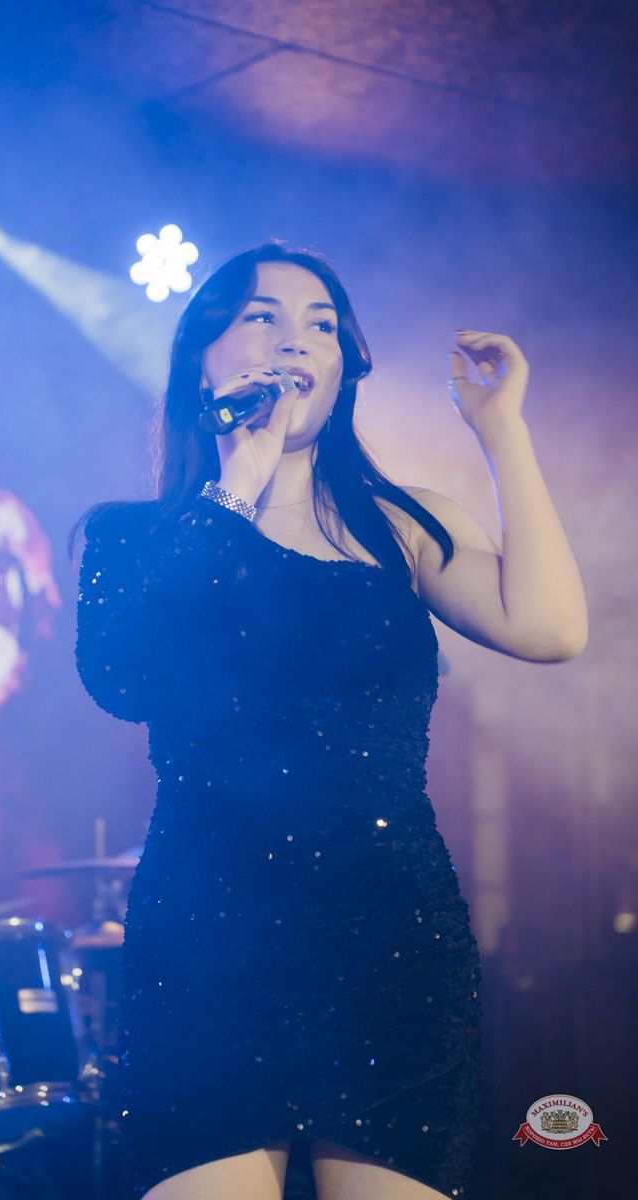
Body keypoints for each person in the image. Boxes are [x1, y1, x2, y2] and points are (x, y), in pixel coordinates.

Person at [74, 243, 587, 1200]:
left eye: (321, 325)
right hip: (205, 943)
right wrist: (239, 482)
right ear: (202, 361)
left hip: (388, 939)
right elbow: (125, 677)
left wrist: (501, 433)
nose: (296, 341)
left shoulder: (400, 526)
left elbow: (552, 629)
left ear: (346, 367)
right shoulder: (132, 536)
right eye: (262, 317)